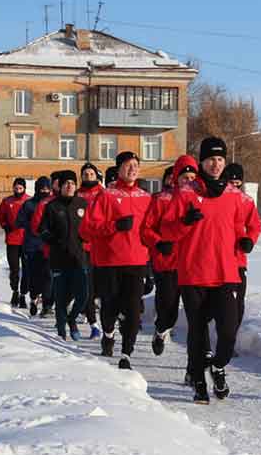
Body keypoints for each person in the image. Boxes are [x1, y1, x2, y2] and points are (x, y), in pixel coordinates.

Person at [161, 137, 251, 404]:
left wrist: (246, 239)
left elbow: (241, 227)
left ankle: (218, 365)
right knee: (197, 332)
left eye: (220, 159)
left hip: (226, 274)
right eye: (211, 159)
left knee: (228, 332)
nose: (216, 164)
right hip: (194, 273)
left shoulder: (235, 196)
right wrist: (184, 223)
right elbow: (167, 231)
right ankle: (199, 382)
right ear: (201, 162)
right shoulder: (186, 193)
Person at [79, 151, 151, 369]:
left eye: (136, 165)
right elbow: (86, 229)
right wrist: (115, 226)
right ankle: (108, 333)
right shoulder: (106, 196)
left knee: (132, 310)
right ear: (119, 168)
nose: (132, 168)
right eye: (128, 165)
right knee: (109, 307)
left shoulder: (146, 197)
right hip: (109, 262)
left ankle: (126, 353)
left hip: (137, 262)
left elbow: (153, 229)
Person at [39, 170, 89, 341]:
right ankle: (62, 333)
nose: (70, 186)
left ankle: (72, 318)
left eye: (73, 183)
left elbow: (91, 226)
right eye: (66, 183)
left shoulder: (82, 204)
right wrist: (53, 239)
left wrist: (88, 236)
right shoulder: (52, 207)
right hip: (59, 258)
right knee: (61, 298)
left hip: (79, 258)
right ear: (60, 187)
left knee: (83, 295)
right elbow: (42, 229)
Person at [141, 163, 182, 356]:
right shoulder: (158, 200)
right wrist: (159, 243)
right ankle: (161, 329)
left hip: (191, 264)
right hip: (165, 261)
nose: (174, 181)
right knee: (168, 306)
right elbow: (146, 229)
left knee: (193, 314)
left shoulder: (197, 199)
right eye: (170, 177)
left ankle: (195, 367)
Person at [223, 162, 261, 346]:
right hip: (218, 260)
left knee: (237, 305)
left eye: (238, 183)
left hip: (239, 260)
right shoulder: (216, 198)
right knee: (220, 304)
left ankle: (230, 340)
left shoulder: (247, 201)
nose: (235, 186)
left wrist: (250, 240)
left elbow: (255, 226)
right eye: (231, 182)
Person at [15, 176, 52, 316]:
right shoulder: (29, 204)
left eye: (47, 188)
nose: (45, 191)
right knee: (34, 275)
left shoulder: (52, 204)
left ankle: (47, 304)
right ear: (37, 189)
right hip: (32, 245)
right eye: (42, 188)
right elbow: (19, 221)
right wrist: (32, 225)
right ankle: (34, 298)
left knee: (48, 275)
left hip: (48, 245)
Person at [77, 162, 104, 339]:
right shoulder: (77, 194)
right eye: (85, 174)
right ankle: (94, 323)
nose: (88, 177)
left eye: (91, 174)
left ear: (96, 176)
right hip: (82, 246)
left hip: (102, 245)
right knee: (87, 285)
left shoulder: (104, 194)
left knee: (102, 285)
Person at [31, 171, 63, 318]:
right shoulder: (45, 203)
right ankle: (47, 305)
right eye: (57, 182)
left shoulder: (72, 200)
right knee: (49, 276)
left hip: (69, 247)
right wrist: (47, 236)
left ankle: (64, 305)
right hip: (49, 247)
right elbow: (36, 225)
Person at [0, 178, 30, 308]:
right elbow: (1, 216)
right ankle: (15, 291)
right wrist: (5, 226)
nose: (18, 191)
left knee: (27, 269)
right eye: (16, 188)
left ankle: (23, 294)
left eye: (20, 188)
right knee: (14, 269)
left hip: (27, 241)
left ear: (24, 189)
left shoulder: (29, 201)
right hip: (12, 240)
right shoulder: (7, 201)